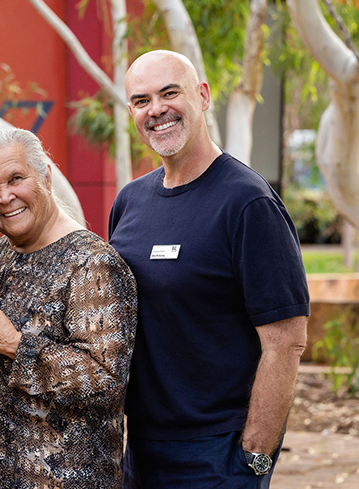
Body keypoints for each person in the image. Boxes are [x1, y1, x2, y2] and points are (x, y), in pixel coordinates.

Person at [109, 50, 310, 488]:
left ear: (202, 96)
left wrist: (253, 458)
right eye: (142, 100)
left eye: (169, 93)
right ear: (131, 112)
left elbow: (287, 341)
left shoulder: (247, 203)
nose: (156, 109)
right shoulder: (130, 202)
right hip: (141, 451)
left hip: (217, 455)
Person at [0, 128, 137, 488]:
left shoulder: (92, 263)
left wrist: (14, 345)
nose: (5, 197)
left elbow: (106, 380)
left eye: (16, 179)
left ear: (46, 177)